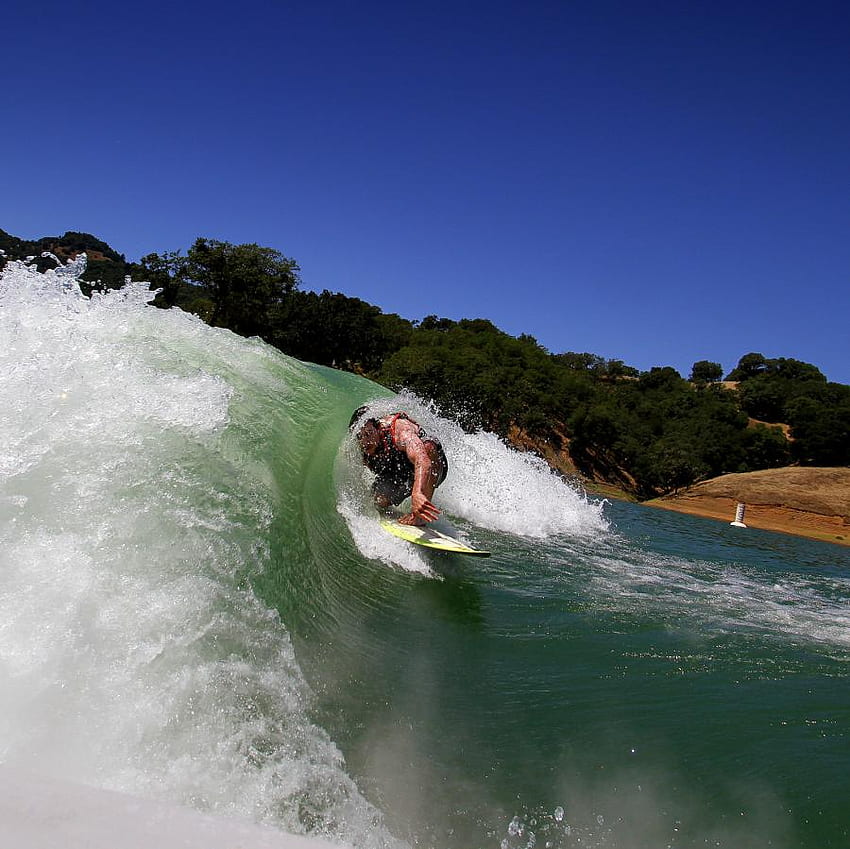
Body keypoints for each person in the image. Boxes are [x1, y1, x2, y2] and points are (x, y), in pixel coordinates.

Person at [349, 407, 448, 525]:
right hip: (398, 471)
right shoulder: (358, 447)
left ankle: (420, 515)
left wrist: (417, 493)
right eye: (360, 436)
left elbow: (422, 460)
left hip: (430, 467)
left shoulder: (400, 431)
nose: (365, 441)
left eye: (369, 433)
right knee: (379, 500)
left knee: (428, 448)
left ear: (378, 428)